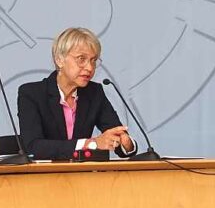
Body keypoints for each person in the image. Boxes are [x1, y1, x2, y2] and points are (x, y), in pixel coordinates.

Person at [17, 27, 137, 160]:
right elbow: (34, 147)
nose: (90, 67)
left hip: (83, 177)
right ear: (59, 60)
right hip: (43, 177)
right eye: (81, 59)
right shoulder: (32, 94)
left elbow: (116, 136)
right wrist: (91, 143)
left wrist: (125, 142)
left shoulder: (94, 92)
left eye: (93, 60)